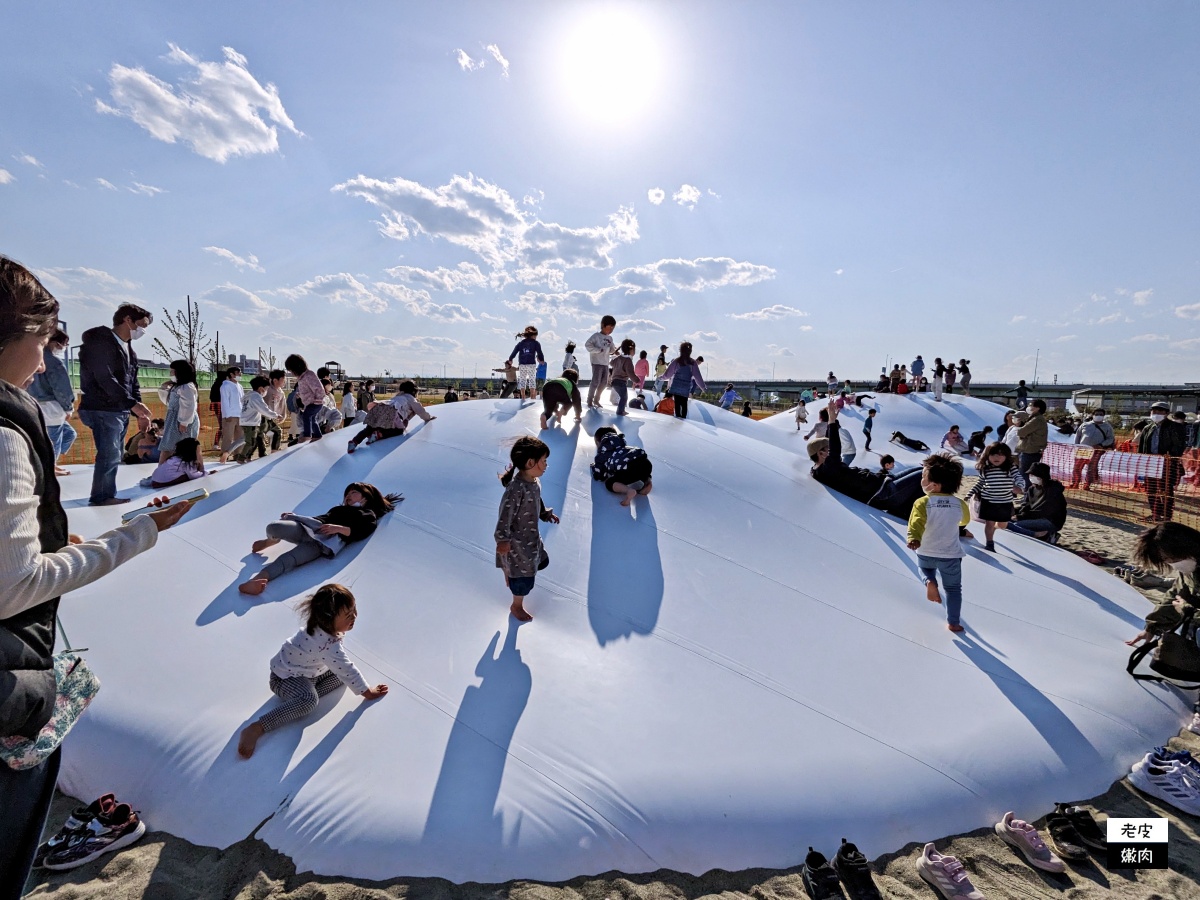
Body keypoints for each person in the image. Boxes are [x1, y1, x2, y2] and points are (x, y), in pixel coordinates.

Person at [0, 256, 191, 894]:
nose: (48, 358)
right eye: (42, 340)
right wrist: (133, 536)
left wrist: (48, 535)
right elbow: (16, 584)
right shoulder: (5, 433)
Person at [237, 584, 388, 759]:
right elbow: (346, 667)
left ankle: (305, 694)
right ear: (328, 619)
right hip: (284, 679)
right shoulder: (326, 643)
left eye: (354, 609)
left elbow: (342, 669)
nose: (354, 616)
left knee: (341, 678)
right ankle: (258, 727)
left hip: (308, 672)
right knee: (309, 701)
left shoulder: (323, 627)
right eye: (348, 615)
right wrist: (367, 692)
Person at [239, 483, 400, 595]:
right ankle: (271, 541)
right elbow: (320, 518)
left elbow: (364, 530)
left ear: (365, 497)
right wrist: (297, 518)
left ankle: (258, 580)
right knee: (274, 526)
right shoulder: (339, 509)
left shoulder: (367, 514)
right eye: (347, 493)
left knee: (288, 560)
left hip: (321, 543)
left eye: (354, 493)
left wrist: (338, 529)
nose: (348, 496)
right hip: (310, 529)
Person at [1125, 525, 1200, 733]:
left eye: (1168, 558)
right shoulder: (1191, 567)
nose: (1169, 564)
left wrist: (1186, 609)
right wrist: (1152, 627)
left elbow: (1183, 603)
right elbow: (1175, 594)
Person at [78, 302, 154, 505]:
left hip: (118, 409)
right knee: (109, 454)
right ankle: (102, 496)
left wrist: (139, 411)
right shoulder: (100, 344)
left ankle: (106, 493)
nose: (143, 330)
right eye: (142, 324)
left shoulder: (129, 350)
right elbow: (105, 378)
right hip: (102, 407)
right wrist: (132, 404)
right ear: (127, 320)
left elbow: (132, 382)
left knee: (115, 453)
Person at [807, 400, 927, 519]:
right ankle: (904, 512)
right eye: (827, 449)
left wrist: (830, 422)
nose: (830, 450)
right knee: (926, 474)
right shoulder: (827, 469)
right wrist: (832, 421)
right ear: (821, 453)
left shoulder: (822, 468)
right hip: (883, 493)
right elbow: (835, 449)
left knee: (924, 469)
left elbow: (829, 445)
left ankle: (903, 509)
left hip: (882, 483)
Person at [496, 436, 559, 621]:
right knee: (523, 579)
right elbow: (504, 516)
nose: (546, 465)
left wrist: (545, 514)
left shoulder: (533, 482)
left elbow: (536, 502)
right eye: (544, 461)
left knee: (540, 562)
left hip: (531, 537)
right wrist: (502, 540)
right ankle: (516, 606)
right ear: (531, 462)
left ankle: (513, 573)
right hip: (516, 542)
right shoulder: (515, 489)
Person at [906, 453, 970, 633]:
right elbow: (964, 520)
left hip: (926, 551)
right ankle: (954, 622)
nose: (921, 480)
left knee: (924, 569)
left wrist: (914, 538)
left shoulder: (922, 502)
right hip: (951, 555)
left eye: (923, 477)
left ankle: (929, 581)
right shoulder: (959, 504)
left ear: (933, 486)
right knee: (953, 589)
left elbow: (916, 522)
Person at [28, 329, 76, 477]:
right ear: (55, 342)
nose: (63, 348)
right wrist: (69, 407)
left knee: (69, 434)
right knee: (53, 440)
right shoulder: (53, 362)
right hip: (51, 407)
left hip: (33, 404)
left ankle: (50, 463)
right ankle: (48, 468)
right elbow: (61, 388)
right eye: (64, 344)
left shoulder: (31, 357)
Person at [346, 380, 435, 453]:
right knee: (398, 430)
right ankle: (379, 434)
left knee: (369, 429)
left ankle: (354, 442)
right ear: (414, 391)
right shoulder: (411, 399)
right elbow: (420, 411)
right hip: (391, 411)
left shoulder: (399, 396)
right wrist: (429, 417)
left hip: (379, 407)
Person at [966, 442, 1023, 551]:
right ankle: (989, 543)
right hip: (988, 501)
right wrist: (970, 494)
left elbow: (1019, 478)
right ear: (987, 456)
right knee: (989, 523)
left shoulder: (1010, 468)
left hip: (1005, 502)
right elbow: (980, 483)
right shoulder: (986, 469)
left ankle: (994, 529)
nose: (996, 457)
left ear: (1006, 456)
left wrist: (1019, 487)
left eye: (1000, 454)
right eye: (993, 455)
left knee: (1002, 525)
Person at [1138, 401, 1188, 523]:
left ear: (1166, 413)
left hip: (1167, 462)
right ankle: (1155, 514)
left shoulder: (1175, 427)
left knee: (1165, 489)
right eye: (1154, 411)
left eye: (1160, 411)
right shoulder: (1147, 428)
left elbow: (1179, 445)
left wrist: (1171, 457)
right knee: (1151, 488)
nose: (1156, 413)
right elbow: (1142, 445)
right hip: (1150, 462)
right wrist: (1141, 459)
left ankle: (1166, 516)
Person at [592, 426, 653, 506]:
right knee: (641, 470)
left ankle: (628, 491)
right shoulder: (621, 443)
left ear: (598, 442)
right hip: (644, 461)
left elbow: (600, 476)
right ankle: (647, 481)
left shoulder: (602, 452)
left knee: (610, 482)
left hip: (629, 468)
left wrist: (595, 468)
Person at [154, 359, 199, 465]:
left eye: (172, 371)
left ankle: (163, 471)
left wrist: (184, 422)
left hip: (181, 420)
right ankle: (163, 471)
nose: (171, 374)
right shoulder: (177, 386)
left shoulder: (186, 387)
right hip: (174, 419)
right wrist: (164, 386)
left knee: (176, 446)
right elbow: (168, 401)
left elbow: (189, 405)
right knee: (169, 446)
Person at [1008, 462, 1067, 541]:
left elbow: (1044, 511)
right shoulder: (1031, 489)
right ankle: (1042, 535)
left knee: (1017, 526)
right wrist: (1014, 512)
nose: (1031, 477)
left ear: (1042, 476)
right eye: (1030, 475)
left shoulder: (1053, 490)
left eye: (1034, 475)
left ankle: (1047, 536)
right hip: (1035, 517)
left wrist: (1020, 517)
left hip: (1051, 521)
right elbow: (1025, 506)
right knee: (1008, 522)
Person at [234, 376, 282, 463]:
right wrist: (275, 415)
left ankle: (250, 455)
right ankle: (242, 458)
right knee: (251, 442)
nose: (266, 391)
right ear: (261, 388)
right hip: (251, 422)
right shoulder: (256, 397)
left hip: (246, 421)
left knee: (255, 439)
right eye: (266, 389)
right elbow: (264, 409)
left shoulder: (248, 396)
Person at [1070, 408, 1115, 490]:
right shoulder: (1085, 425)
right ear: (1093, 415)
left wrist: (1101, 444)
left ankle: (1087, 484)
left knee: (1091, 468)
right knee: (1077, 467)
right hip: (1082, 450)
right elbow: (1078, 436)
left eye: (1101, 414)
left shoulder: (1108, 427)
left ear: (1104, 416)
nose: (1099, 416)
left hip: (1096, 450)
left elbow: (1110, 439)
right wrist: (1077, 446)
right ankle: (1075, 483)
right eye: (1097, 414)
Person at [286, 354, 325, 444]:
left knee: (306, 416)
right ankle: (317, 435)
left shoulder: (309, 375)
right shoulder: (302, 378)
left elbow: (318, 388)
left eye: (292, 371)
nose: (291, 373)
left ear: (296, 368)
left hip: (315, 402)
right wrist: (300, 395)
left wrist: (318, 399)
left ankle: (307, 435)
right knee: (312, 418)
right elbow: (307, 390)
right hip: (310, 403)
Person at [663, 341, 706, 420]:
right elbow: (697, 376)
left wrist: (662, 378)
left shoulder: (677, 361)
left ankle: (678, 421)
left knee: (677, 405)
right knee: (684, 405)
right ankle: (683, 421)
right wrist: (702, 387)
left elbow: (668, 373)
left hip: (676, 387)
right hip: (685, 388)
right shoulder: (692, 362)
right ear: (690, 351)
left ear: (681, 351)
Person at [585, 316, 617, 408]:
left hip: (605, 363)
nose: (611, 330)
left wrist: (615, 351)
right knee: (595, 382)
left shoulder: (610, 338)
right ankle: (589, 399)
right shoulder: (596, 336)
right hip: (596, 362)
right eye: (609, 327)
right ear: (603, 325)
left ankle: (597, 399)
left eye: (613, 328)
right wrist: (597, 350)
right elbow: (587, 345)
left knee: (604, 383)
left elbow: (611, 350)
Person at [507, 325, 545, 402]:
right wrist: (541, 360)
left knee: (522, 380)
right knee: (532, 380)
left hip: (522, 364)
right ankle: (532, 397)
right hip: (531, 364)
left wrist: (510, 359)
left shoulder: (521, 343)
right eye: (536, 336)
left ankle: (523, 397)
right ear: (533, 335)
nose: (536, 338)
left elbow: (514, 351)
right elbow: (540, 353)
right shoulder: (536, 343)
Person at [1015, 398, 1048, 488]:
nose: (1029, 407)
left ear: (1037, 408)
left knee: (1025, 473)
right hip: (1032, 449)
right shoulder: (1036, 418)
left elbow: (1021, 432)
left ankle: (1027, 494)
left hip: (1030, 450)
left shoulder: (1036, 419)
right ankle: (1028, 494)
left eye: (1031, 405)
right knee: (1027, 473)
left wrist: (1020, 428)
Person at [217, 366, 244, 463]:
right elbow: (225, 401)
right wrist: (227, 414)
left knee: (240, 437)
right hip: (230, 416)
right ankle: (225, 455)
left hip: (240, 415)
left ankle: (238, 454)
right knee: (228, 436)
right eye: (238, 373)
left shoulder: (239, 386)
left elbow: (242, 401)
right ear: (231, 374)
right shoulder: (225, 386)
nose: (240, 374)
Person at [609, 338, 638, 416]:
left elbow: (611, 363)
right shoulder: (628, 360)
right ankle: (620, 411)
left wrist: (616, 356)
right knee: (624, 397)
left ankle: (621, 410)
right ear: (631, 349)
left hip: (614, 381)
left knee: (622, 397)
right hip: (621, 382)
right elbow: (630, 373)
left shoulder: (619, 358)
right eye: (634, 349)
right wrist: (637, 380)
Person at [263, 369, 287, 452]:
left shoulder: (281, 393)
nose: (285, 382)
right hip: (262, 418)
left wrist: (283, 417)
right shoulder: (266, 389)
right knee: (259, 436)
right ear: (275, 380)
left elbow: (283, 406)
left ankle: (274, 451)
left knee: (277, 432)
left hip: (272, 418)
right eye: (283, 380)